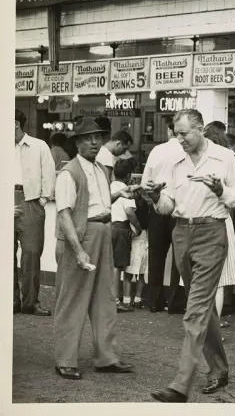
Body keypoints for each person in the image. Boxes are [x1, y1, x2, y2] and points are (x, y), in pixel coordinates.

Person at [143, 109, 235, 402]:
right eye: (176, 133)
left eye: (183, 133)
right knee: (200, 307)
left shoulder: (225, 157)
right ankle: (219, 368)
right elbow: (167, 206)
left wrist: (221, 190)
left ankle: (180, 384)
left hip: (212, 233)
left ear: (200, 129)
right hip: (182, 232)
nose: (179, 139)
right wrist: (154, 197)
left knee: (195, 311)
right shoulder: (175, 160)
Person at [52, 118, 135, 380]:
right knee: (72, 299)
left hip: (103, 232)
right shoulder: (69, 173)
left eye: (98, 137)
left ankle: (106, 357)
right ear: (77, 142)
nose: (94, 142)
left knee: (105, 298)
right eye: (88, 138)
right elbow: (64, 214)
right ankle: (65, 359)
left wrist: (122, 193)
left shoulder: (100, 168)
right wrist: (78, 250)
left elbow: (96, 202)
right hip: (82, 234)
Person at [14, 109, 56, 317]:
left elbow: (49, 174)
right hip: (6, 199)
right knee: (5, 255)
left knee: (31, 253)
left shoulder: (39, 146)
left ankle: (30, 302)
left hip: (31, 201)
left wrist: (42, 200)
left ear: (15, 124)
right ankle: (10, 300)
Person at [142, 118, 185, 314]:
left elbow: (145, 182)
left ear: (169, 131)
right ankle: (175, 301)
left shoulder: (157, 151)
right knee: (179, 259)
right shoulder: (187, 151)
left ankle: (154, 300)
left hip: (157, 206)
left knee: (156, 256)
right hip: (179, 208)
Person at [203, 123, 235, 330]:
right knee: (218, 280)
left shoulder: (198, 159)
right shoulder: (229, 157)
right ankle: (214, 326)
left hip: (199, 220)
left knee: (202, 280)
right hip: (222, 218)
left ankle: (202, 326)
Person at [110, 157, 143, 313]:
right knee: (118, 265)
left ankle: (109, 298)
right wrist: (138, 228)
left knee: (110, 264)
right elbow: (130, 212)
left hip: (108, 226)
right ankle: (116, 300)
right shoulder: (125, 190)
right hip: (121, 228)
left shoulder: (109, 187)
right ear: (129, 175)